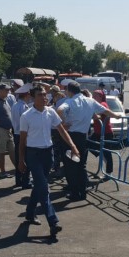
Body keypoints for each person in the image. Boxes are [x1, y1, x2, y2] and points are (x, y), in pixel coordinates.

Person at [18, 85, 79, 239]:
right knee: (44, 188)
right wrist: (21, 160)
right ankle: (53, 222)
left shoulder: (51, 112)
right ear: (33, 98)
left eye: (45, 95)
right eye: (40, 95)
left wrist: (72, 146)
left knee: (40, 185)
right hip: (33, 154)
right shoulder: (26, 116)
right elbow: (22, 141)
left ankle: (30, 213)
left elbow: (62, 130)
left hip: (48, 154)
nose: (44, 98)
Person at [57, 80, 121, 201]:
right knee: (81, 165)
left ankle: (75, 193)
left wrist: (63, 123)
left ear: (69, 91)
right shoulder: (90, 101)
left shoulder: (70, 101)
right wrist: (117, 116)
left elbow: (60, 110)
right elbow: (105, 111)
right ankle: (82, 192)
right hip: (83, 136)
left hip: (70, 137)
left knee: (70, 166)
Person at [88, 89, 115, 178]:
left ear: (100, 97)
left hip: (106, 133)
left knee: (107, 152)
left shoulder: (103, 104)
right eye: (93, 95)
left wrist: (93, 115)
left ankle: (109, 173)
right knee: (88, 144)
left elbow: (99, 114)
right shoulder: (97, 104)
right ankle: (102, 157)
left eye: (95, 95)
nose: (93, 97)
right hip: (98, 133)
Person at [11, 83, 33, 189]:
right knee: (25, 158)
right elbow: (27, 122)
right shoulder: (24, 107)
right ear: (26, 95)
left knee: (19, 157)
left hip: (16, 133)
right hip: (23, 134)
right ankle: (25, 181)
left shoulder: (15, 105)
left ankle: (18, 180)